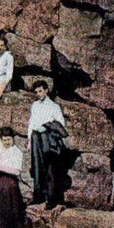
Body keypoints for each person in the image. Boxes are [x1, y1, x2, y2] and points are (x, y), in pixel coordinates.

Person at [27, 80, 67, 209]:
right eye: (36, 92)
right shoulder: (35, 105)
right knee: (37, 167)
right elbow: (31, 123)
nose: (38, 94)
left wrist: (49, 127)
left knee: (50, 169)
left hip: (49, 139)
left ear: (46, 90)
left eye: (40, 91)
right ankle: (38, 197)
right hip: (36, 138)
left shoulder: (54, 106)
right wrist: (29, 141)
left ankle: (51, 199)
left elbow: (61, 124)